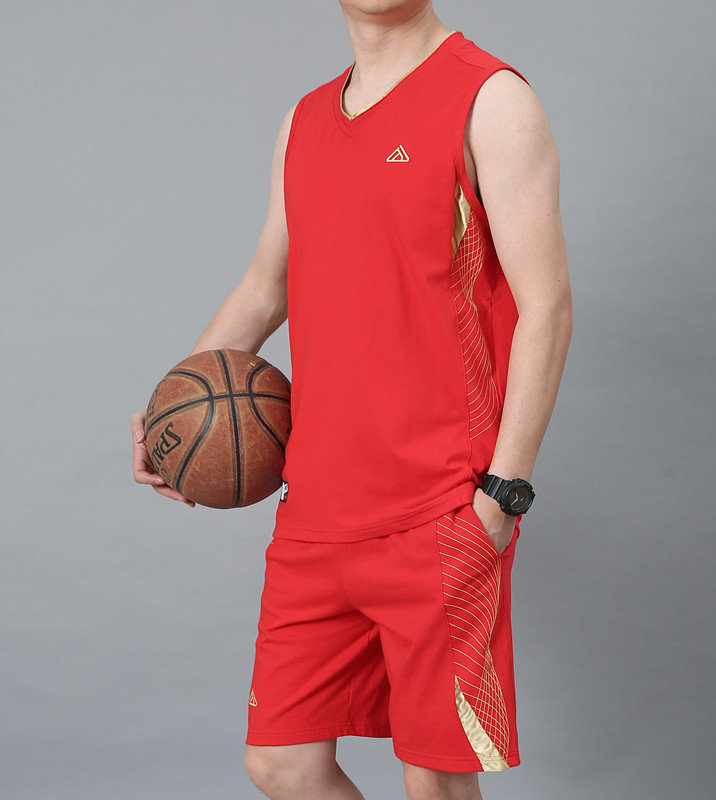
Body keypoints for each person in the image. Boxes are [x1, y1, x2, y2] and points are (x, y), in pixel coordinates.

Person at [131, 1, 572, 797]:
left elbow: (548, 308)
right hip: (316, 510)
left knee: (433, 782)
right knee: (282, 763)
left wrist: (503, 496)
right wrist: (172, 406)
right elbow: (265, 288)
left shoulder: (491, 100)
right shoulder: (303, 122)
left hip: (438, 509)